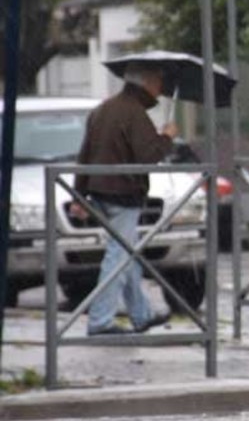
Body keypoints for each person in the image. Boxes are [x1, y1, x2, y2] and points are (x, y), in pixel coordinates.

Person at [75, 63, 178, 336]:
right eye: (158, 81)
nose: (160, 88)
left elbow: (85, 154)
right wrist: (167, 137)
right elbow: (148, 156)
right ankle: (100, 321)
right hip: (122, 194)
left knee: (127, 254)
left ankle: (141, 314)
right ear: (145, 83)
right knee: (119, 257)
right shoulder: (134, 113)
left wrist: (79, 194)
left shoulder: (103, 109)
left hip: (99, 192)